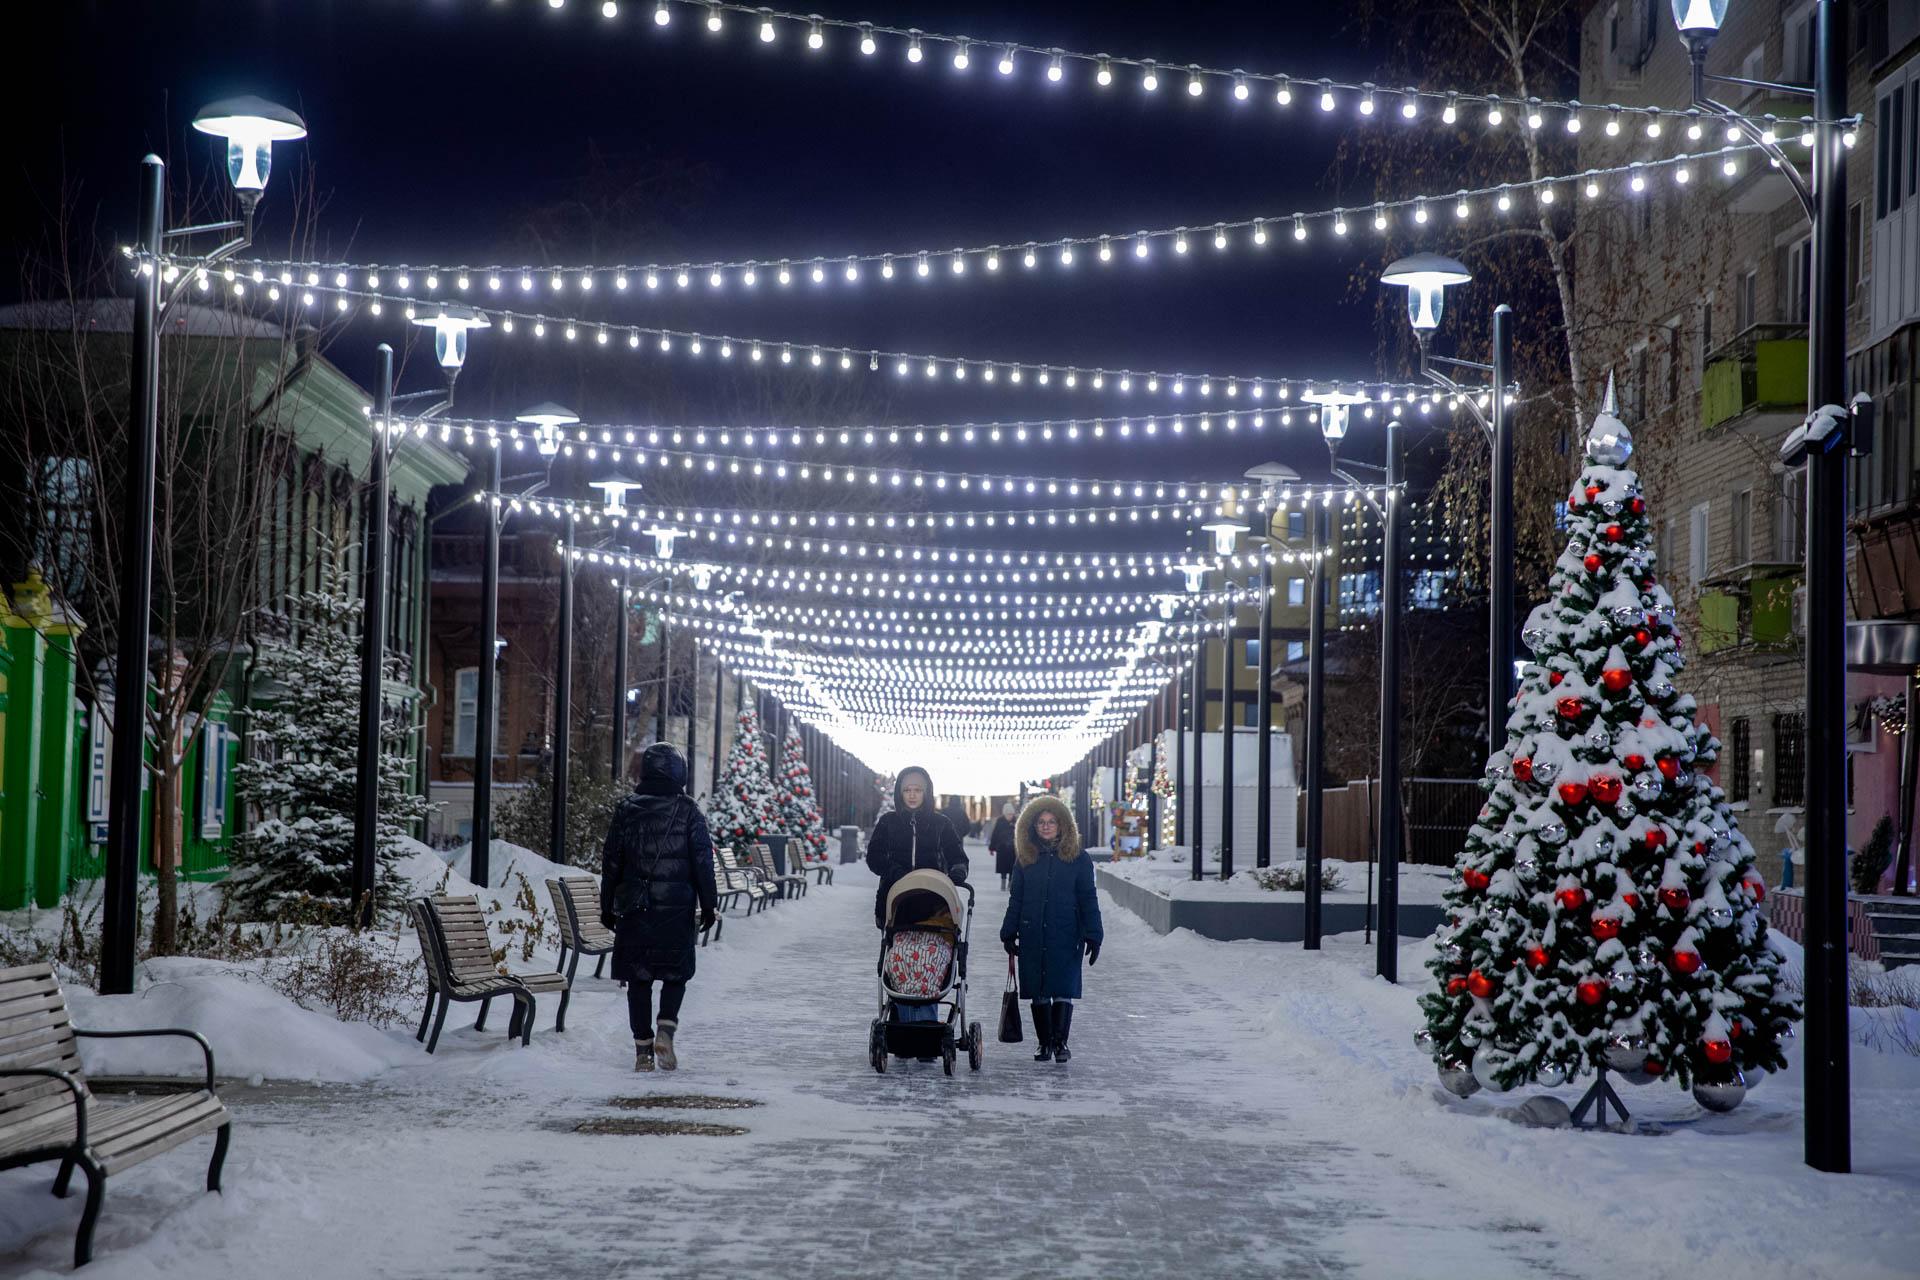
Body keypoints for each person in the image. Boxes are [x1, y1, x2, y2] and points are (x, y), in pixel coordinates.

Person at [600, 743, 719, 1073]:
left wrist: (607, 905)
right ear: (680, 772)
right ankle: (666, 1029)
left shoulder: (627, 809)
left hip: (635, 907)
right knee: (675, 973)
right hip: (677, 909)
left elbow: (611, 861)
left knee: (639, 980)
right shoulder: (689, 811)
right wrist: (709, 905)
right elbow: (702, 863)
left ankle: (642, 1050)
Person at [1000, 794, 1103, 1064]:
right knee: (1039, 990)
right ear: (1032, 827)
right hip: (1033, 933)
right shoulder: (1026, 859)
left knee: (1062, 987)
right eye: (1041, 822)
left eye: (1051, 822)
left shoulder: (1078, 858)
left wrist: (1094, 934)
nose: (1046, 827)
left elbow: (1088, 898)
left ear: (1062, 825)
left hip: (1066, 933)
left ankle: (1060, 1042)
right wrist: (1009, 931)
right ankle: (1044, 1043)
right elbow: (1017, 899)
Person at [865, 766, 968, 929]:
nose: (912, 795)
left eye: (918, 790)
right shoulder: (888, 822)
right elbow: (874, 857)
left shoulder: (941, 824)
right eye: (907, 790)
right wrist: (895, 872)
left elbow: (957, 856)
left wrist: (957, 872)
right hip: (895, 900)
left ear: (926, 793)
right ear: (900, 793)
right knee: (897, 951)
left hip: (933, 901)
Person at [988, 801, 1018, 890]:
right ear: (1004, 814)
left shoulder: (1016, 821)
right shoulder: (1000, 821)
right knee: (1003, 867)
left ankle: (1010, 883)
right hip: (1002, 848)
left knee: (1013, 867)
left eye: (1011, 814)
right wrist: (992, 848)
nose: (1010, 816)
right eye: (1008, 814)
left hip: (1013, 848)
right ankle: (1003, 882)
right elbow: (995, 834)